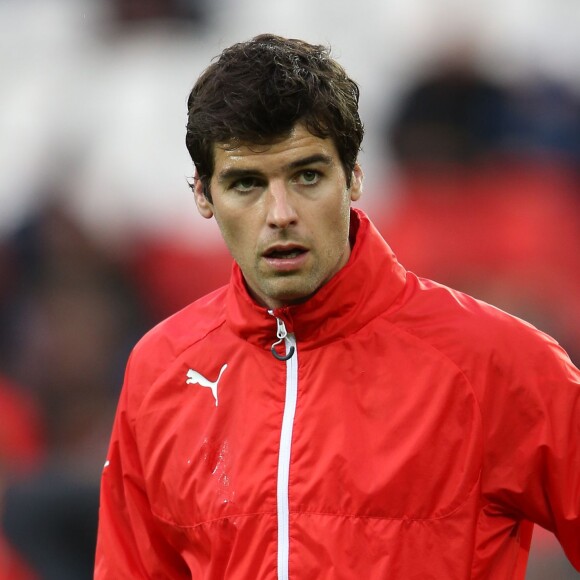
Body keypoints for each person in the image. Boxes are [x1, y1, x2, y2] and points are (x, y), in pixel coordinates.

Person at [94, 34, 580, 579]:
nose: (280, 213)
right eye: (246, 184)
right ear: (203, 197)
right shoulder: (160, 373)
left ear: (353, 178)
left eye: (307, 176)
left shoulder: (495, 362)